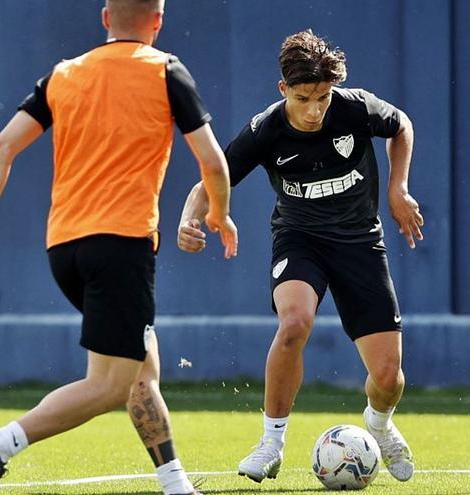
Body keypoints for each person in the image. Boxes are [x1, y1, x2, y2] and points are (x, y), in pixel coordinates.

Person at [0, 1, 238, 494]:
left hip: (64, 249)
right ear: (158, 21)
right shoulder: (165, 69)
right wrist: (218, 213)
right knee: (112, 385)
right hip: (122, 245)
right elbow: (212, 162)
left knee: (142, 368)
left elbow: (0, 149)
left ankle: (176, 484)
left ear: (105, 18)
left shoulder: (63, 75)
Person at [177, 29, 422, 484]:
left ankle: (380, 425)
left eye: (323, 98)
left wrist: (397, 186)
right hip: (299, 238)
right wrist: (190, 218)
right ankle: (271, 443)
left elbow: (401, 125)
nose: (314, 110)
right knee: (294, 323)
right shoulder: (266, 129)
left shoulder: (354, 107)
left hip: (359, 242)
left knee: (389, 377)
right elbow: (214, 176)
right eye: (304, 97)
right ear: (283, 89)